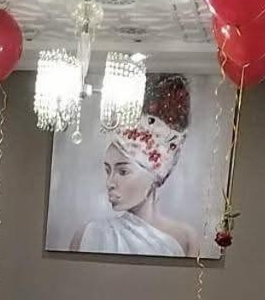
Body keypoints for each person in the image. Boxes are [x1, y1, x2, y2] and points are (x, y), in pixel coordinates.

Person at [70, 75, 200, 257]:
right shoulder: (88, 234)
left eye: (123, 171)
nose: (109, 183)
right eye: (108, 170)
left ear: (153, 175)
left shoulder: (184, 238)